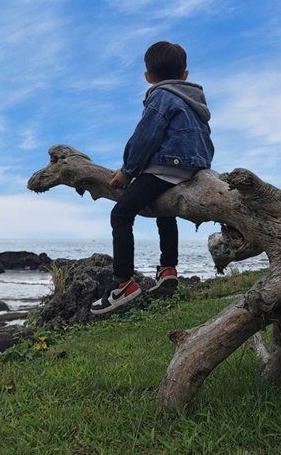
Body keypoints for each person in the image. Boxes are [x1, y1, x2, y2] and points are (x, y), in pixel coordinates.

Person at [91, 41, 215, 314]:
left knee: (121, 214)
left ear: (148, 77)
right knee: (164, 209)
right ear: (185, 75)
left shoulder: (161, 96)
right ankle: (168, 268)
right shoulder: (195, 102)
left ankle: (123, 283)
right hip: (196, 167)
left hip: (166, 166)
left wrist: (127, 170)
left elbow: (146, 137)